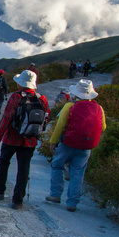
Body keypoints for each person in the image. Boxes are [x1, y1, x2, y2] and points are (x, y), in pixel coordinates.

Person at [0, 70, 50, 210]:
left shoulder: (16, 97)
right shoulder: (43, 99)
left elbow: (6, 118)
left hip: (12, 138)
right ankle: (17, 201)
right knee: (24, 169)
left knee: (4, 163)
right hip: (30, 140)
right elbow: (45, 119)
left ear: (21, 84)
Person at [46, 79, 106, 212]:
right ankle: (72, 203)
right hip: (86, 146)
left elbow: (60, 125)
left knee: (57, 165)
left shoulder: (69, 106)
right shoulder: (99, 108)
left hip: (68, 144)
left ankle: (55, 195)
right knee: (78, 172)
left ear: (76, 93)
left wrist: (53, 142)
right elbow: (104, 127)